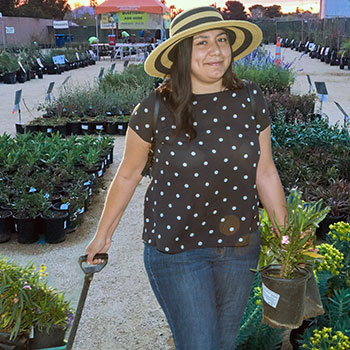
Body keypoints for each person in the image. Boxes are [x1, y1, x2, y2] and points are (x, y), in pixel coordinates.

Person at [85, 6, 287, 349]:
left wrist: (287, 238)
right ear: (180, 54)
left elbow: (265, 170)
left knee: (222, 344)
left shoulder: (250, 99)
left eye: (221, 40)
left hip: (240, 247)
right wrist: (102, 237)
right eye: (201, 43)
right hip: (176, 249)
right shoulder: (154, 108)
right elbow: (129, 174)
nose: (216, 50)